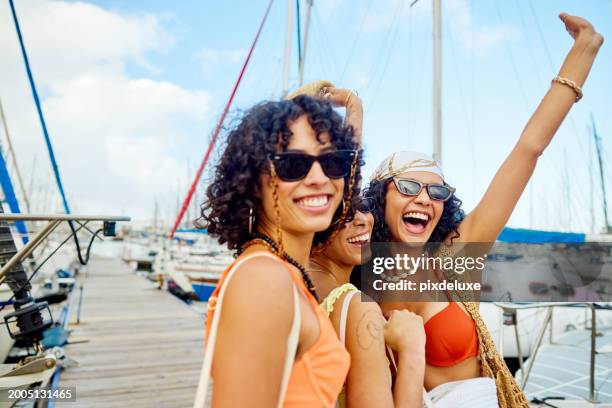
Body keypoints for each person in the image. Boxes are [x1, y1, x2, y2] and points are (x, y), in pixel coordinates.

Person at [362, 13, 604, 408]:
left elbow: (528, 151)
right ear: (380, 198)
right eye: (408, 187)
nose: (424, 198)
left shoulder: (454, 256)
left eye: (436, 191)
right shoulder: (361, 275)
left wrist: (582, 53)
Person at [194, 94, 362, 407]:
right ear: (250, 181)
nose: (318, 177)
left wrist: (354, 108)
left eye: (332, 161)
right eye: (292, 165)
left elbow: (345, 187)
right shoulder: (264, 279)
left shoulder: (285, 269)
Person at [309, 196, 427, 408]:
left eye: (364, 207)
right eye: (342, 213)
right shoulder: (356, 306)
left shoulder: (291, 285)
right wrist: (413, 349)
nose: (362, 219)